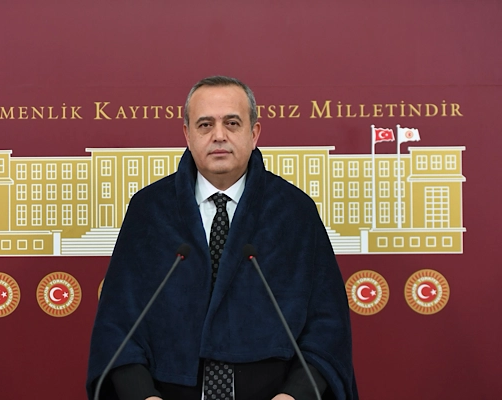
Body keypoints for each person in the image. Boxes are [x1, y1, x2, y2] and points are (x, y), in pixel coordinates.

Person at [87, 76, 358, 400]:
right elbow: (117, 324)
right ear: (187, 135)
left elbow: (327, 325)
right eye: (205, 125)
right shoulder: (149, 210)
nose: (219, 135)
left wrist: (293, 396)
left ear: (254, 133)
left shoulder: (294, 211)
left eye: (232, 123)